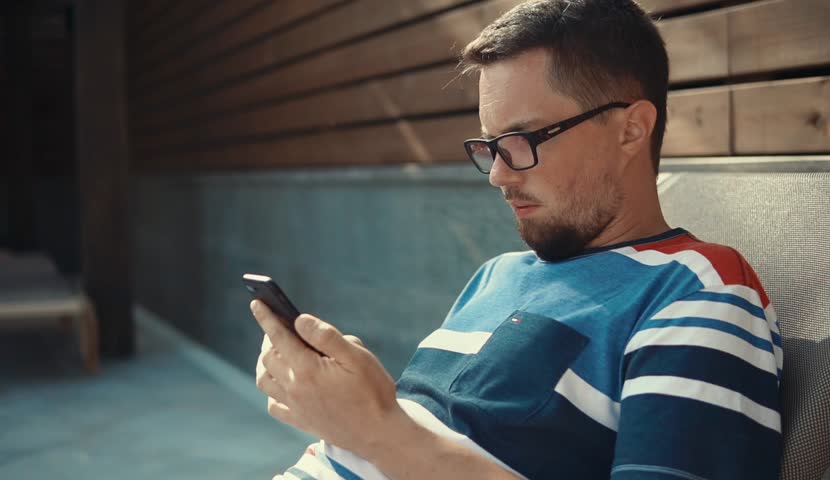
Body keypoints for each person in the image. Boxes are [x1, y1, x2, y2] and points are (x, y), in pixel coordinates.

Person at [250, 0, 784, 478]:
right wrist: (342, 404)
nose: (499, 176)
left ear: (631, 129)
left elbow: (393, 440)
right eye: (489, 146)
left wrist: (377, 427)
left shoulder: (697, 295)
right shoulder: (497, 275)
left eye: (522, 141)